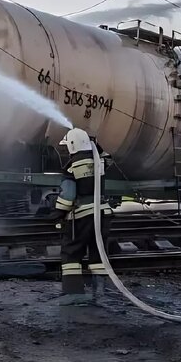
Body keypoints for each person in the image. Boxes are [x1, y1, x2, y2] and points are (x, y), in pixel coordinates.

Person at [50, 128, 113, 305]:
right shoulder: (100, 161)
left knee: (71, 253)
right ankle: (100, 292)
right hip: (102, 214)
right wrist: (96, 146)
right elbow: (110, 158)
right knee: (98, 253)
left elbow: (68, 196)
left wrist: (58, 213)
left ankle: (73, 293)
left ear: (71, 145)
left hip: (82, 217)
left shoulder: (71, 167)